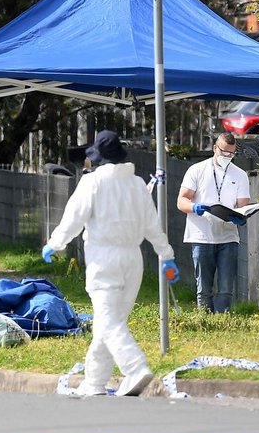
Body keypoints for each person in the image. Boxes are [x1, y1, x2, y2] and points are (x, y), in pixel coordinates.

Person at [41, 130, 179, 397]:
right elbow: (153, 225)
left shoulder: (92, 183)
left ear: (99, 157)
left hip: (104, 260)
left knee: (109, 322)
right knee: (109, 323)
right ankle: (94, 382)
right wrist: (166, 256)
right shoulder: (138, 184)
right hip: (133, 260)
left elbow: (73, 219)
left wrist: (55, 243)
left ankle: (136, 368)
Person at [177, 132, 250, 313]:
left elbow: (243, 206)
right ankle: (205, 321)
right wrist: (194, 208)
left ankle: (222, 321)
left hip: (228, 236)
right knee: (204, 288)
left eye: (231, 154)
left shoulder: (240, 175)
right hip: (201, 235)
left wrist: (241, 217)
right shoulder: (197, 170)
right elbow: (181, 201)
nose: (227, 157)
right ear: (215, 148)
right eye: (224, 152)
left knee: (226, 288)